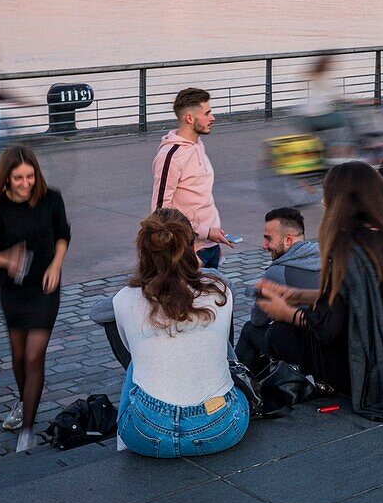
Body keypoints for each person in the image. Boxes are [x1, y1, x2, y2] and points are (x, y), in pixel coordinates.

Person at [255, 162, 383, 420]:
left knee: (279, 333)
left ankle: (312, 387)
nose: (322, 202)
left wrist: (284, 312)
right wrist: (297, 295)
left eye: (328, 196)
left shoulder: (351, 247)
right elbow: (361, 299)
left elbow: (327, 327)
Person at [114, 209, 249, 458]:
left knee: (138, 362)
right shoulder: (220, 292)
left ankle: (123, 439)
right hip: (219, 427)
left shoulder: (123, 300)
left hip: (148, 433)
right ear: (191, 249)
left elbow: (129, 347)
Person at [0, 145, 70, 451]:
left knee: (33, 356)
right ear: (6, 178)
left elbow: (63, 234)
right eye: (18, 177)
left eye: (30, 176)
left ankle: (27, 430)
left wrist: (56, 265)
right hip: (13, 292)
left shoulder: (51, 198)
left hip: (45, 288)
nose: (26, 183)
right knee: (18, 357)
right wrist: (7, 260)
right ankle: (23, 401)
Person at [151, 87, 232, 270]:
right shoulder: (171, 156)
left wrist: (213, 238)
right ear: (189, 118)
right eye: (207, 113)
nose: (212, 118)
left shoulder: (198, 145)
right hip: (188, 252)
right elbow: (160, 213)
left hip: (211, 245)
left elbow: (200, 197)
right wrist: (201, 236)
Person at [235, 208, 321, 375]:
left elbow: (258, 320)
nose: (264, 245)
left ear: (288, 239)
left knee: (249, 330)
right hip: (331, 345)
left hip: (308, 352)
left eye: (268, 239)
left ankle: (244, 388)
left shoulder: (276, 272)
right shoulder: (326, 256)